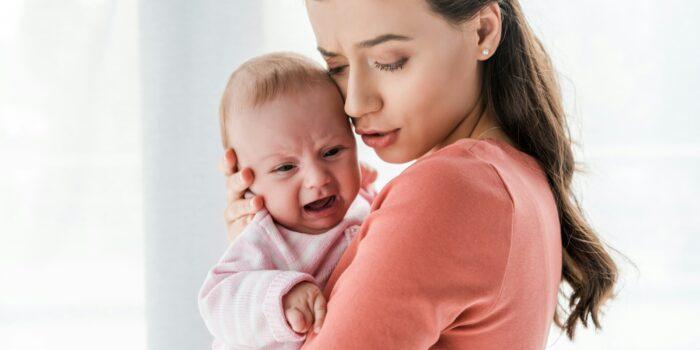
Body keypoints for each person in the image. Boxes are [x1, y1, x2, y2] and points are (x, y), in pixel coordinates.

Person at [220, 0, 619, 348]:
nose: (356, 102)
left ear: (482, 30)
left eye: (389, 62)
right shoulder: (514, 176)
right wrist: (271, 249)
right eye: (336, 67)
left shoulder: (453, 188)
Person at [199, 52, 378, 349]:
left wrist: (369, 192)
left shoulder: (359, 206)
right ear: (246, 183)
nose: (317, 179)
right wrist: (279, 297)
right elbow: (217, 302)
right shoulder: (264, 239)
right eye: (285, 167)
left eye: (332, 152)